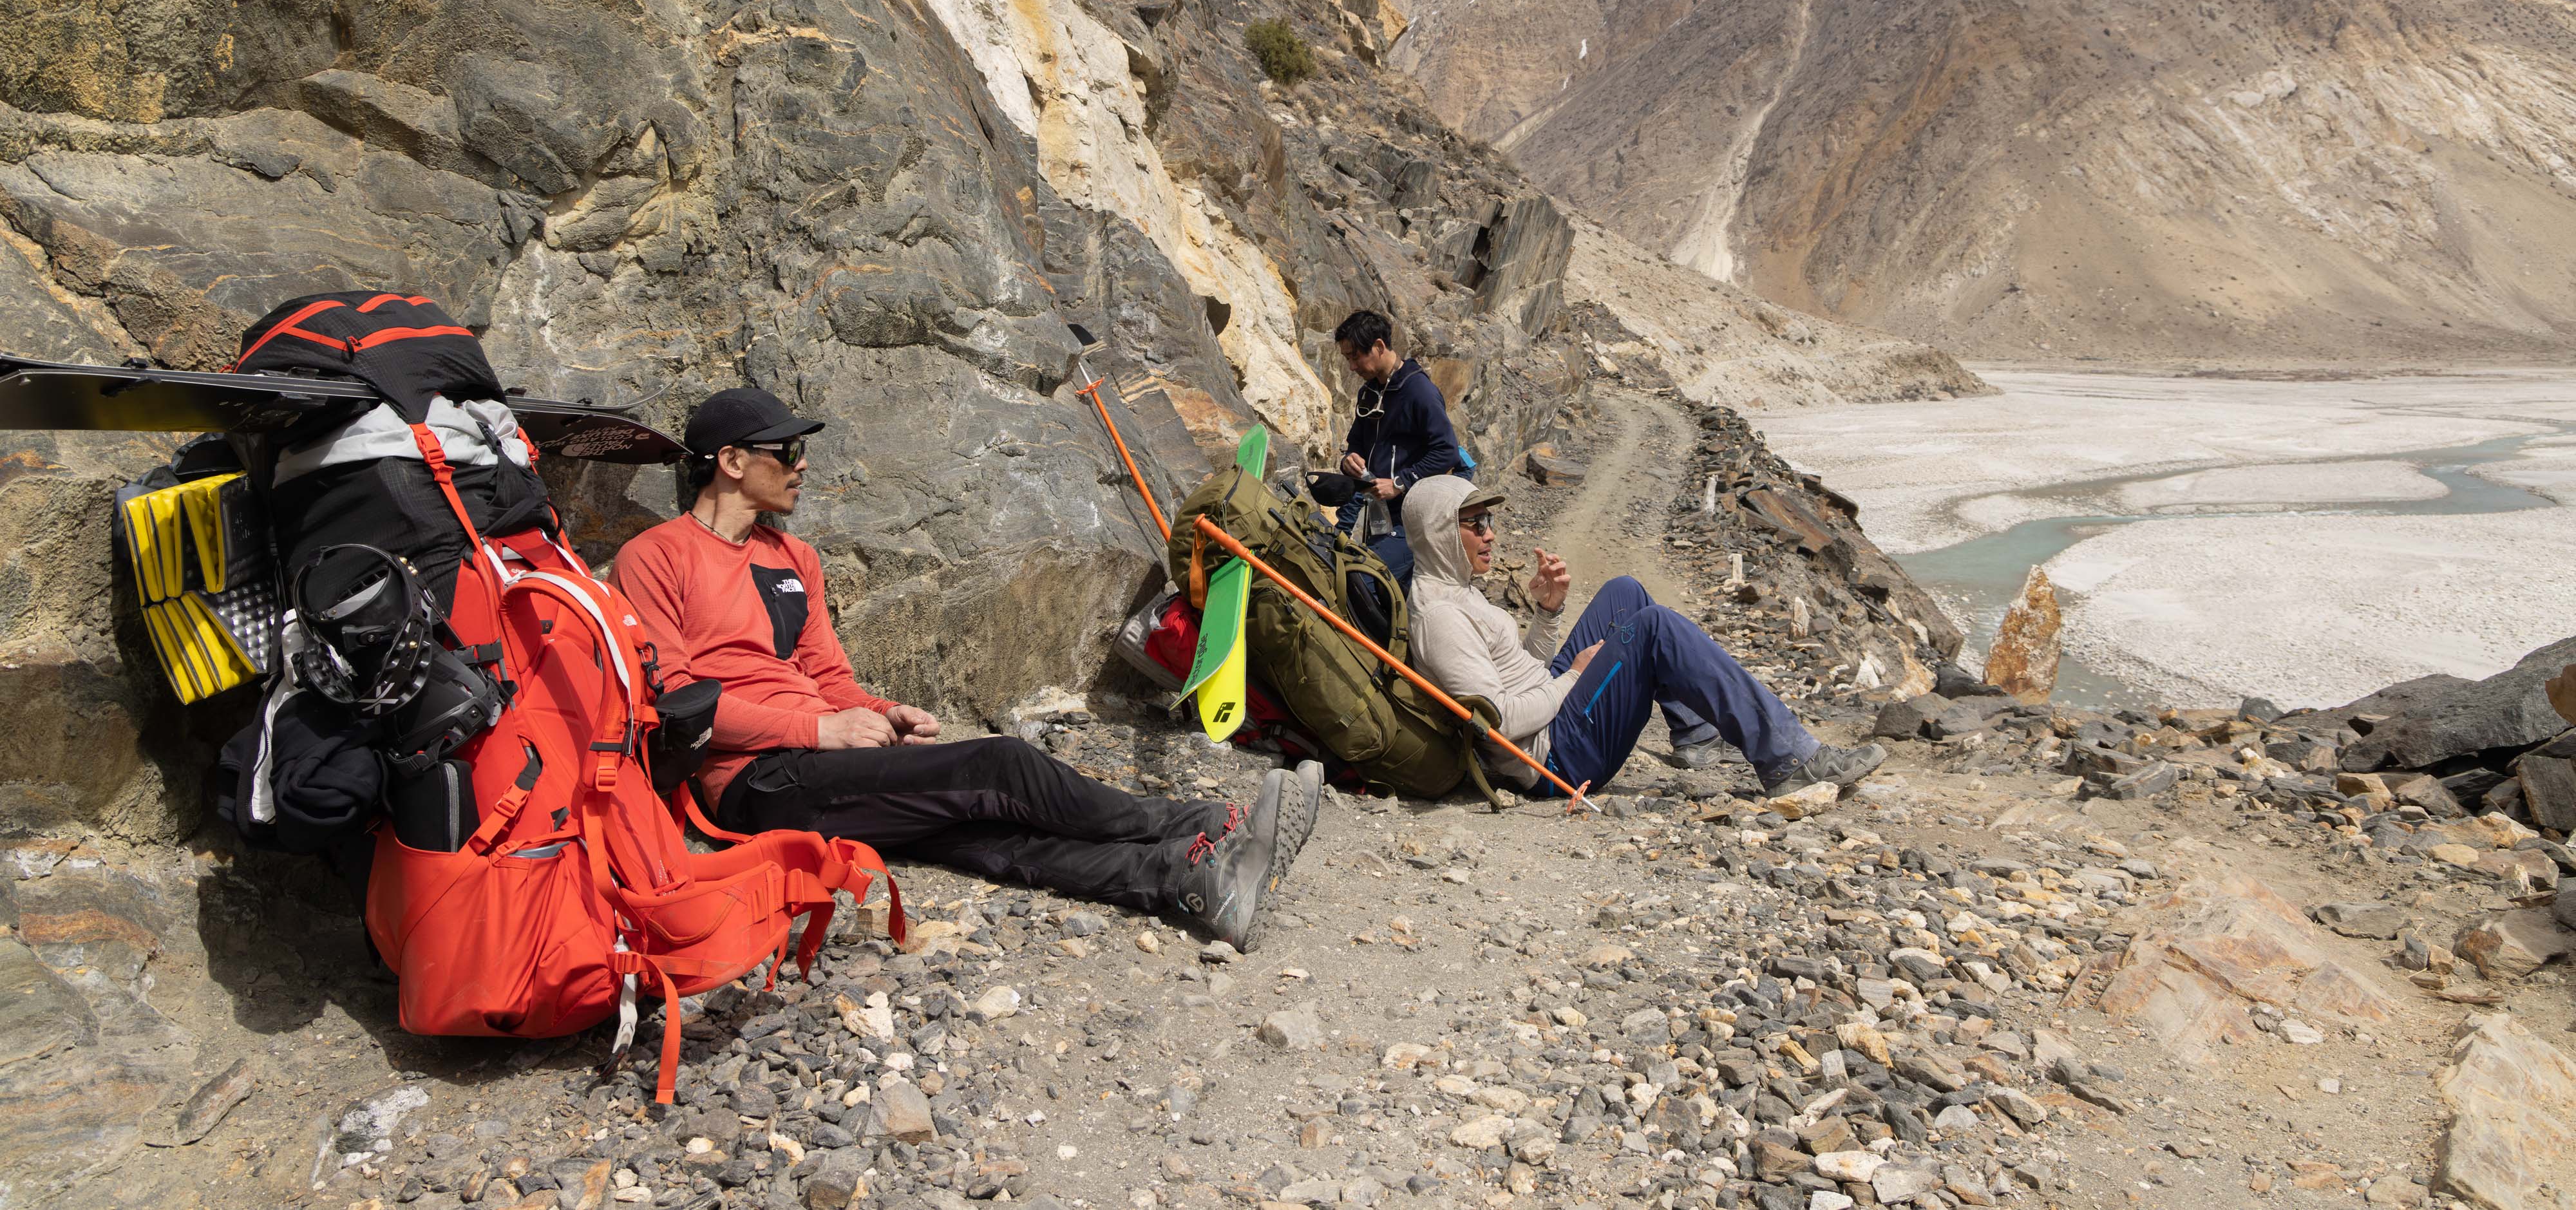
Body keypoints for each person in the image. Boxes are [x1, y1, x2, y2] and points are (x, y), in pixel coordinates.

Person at [615, 386, 1323, 949]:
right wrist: (821, 731)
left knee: (990, 838)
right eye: (788, 450)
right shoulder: (657, 556)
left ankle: (1195, 881)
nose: (802, 465)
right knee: (999, 767)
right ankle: (1211, 822)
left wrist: (881, 711)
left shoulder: (793, 557)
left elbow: (828, 676)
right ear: (732, 461)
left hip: (823, 758)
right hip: (757, 782)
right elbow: (678, 703)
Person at [1400, 475, 1885, 802]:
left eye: (1490, 521)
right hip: (1557, 757)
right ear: (1440, 532)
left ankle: (1695, 735)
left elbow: (1518, 672)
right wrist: (1574, 677)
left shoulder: (1457, 585)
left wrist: (1548, 613)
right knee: (1654, 628)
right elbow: (1497, 723)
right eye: (1476, 524)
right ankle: (1791, 762)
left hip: (1549, 710)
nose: (1490, 534)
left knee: (1624, 592)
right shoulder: (1441, 618)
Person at [1332, 309, 1465, 585]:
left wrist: (1399, 483)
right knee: (1386, 591)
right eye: (1347, 359)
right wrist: (1350, 459)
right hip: (1380, 513)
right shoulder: (1369, 392)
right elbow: (1357, 442)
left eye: (1355, 357)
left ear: (1379, 346)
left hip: (1414, 519)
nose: (1352, 367)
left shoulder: (1420, 392)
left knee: (1365, 582)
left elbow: (1447, 451)